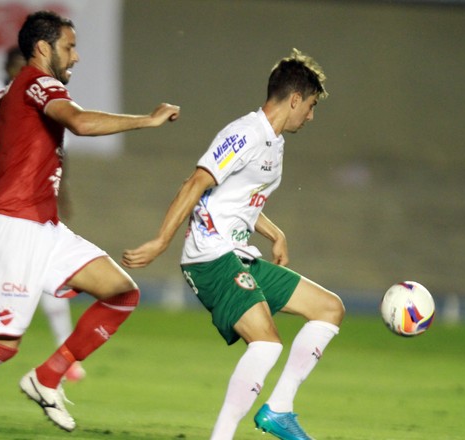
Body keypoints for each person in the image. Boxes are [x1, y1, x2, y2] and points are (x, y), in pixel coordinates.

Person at [0, 10, 180, 440]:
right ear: (43, 49)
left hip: (44, 226)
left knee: (121, 294)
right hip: (12, 227)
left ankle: (47, 377)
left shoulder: (11, 92)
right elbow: (79, 123)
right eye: (69, 47)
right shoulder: (41, 84)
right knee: (2, 344)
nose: (76, 56)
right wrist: (146, 120)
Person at [122, 49, 344, 440]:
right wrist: (161, 241)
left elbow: (238, 200)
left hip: (238, 254)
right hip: (210, 257)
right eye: (310, 106)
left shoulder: (274, 143)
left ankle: (279, 408)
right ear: (294, 99)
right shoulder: (245, 134)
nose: (310, 116)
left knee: (329, 309)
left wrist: (275, 233)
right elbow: (195, 184)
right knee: (266, 345)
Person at [0, 46, 85, 382]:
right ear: (5, 66)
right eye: (15, 64)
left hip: (35, 208)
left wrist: (61, 194)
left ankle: (67, 356)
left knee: (48, 276)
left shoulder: (49, 98)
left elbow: (57, 151)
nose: (21, 69)